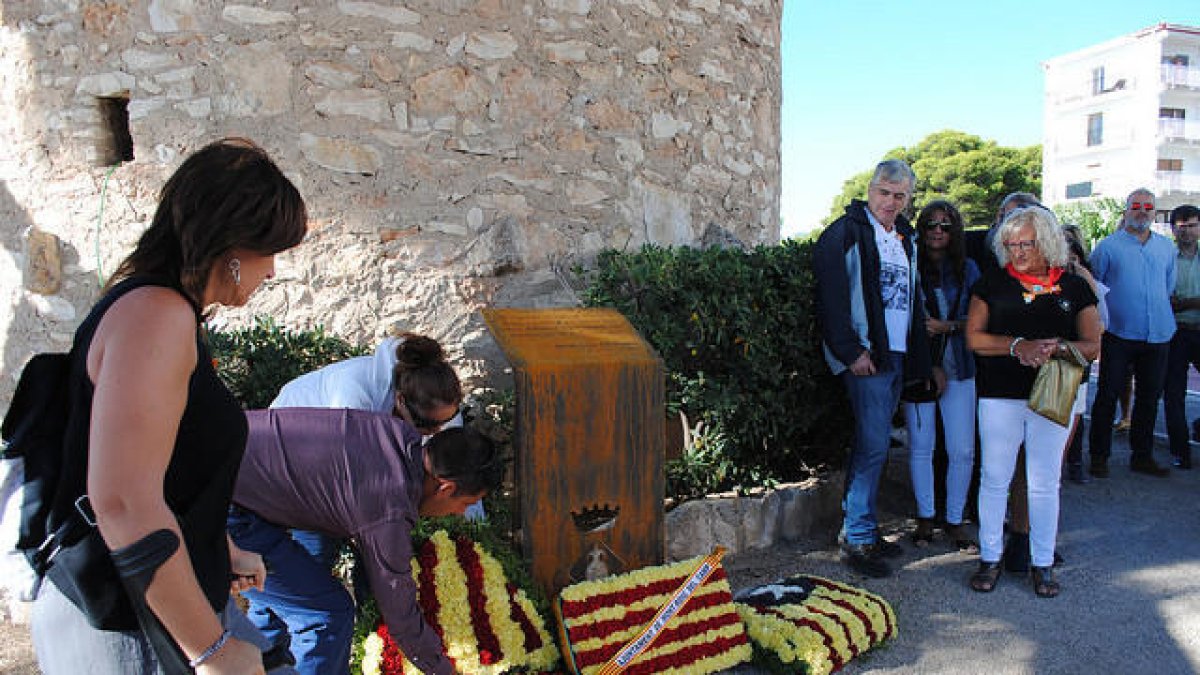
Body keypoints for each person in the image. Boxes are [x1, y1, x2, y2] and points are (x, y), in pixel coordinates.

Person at [31, 138, 308, 673]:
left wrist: (221, 547)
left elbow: (168, 473)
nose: (271, 272)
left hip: (152, 611)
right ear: (232, 248)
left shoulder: (154, 306)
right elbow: (122, 501)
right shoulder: (156, 316)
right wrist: (212, 650)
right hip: (125, 618)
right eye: (270, 251)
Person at [227, 408, 503, 675]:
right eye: (467, 503)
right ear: (446, 488)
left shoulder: (396, 433)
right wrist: (442, 670)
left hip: (221, 458)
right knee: (326, 614)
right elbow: (400, 615)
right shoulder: (388, 507)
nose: (460, 513)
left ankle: (262, 663)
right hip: (218, 506)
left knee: (294, 587)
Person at [966, 206, 1101, 598]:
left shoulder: (1074, 287)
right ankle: (990, 557)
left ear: (1045, 240)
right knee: (994, 479)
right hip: (999, 397)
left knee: (1044, 483)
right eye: (1010, 244)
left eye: (1025, 243)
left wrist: (1059, 348)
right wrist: (1016, 346)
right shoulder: (991, 283)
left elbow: (1092, 345)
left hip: (1051, 397)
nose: (1017, 251)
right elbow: (974, 338)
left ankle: (1042, 564)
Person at [813, 158, 936, 578]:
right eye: (884, 192)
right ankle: (857, 535)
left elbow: (913, 298)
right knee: (873, 443)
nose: (890, 202)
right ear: (871, 189)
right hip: (867, 356)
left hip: (896, 353)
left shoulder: (906, 236)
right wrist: (851, 352)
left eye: (900, 196)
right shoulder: (844, 233)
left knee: (877, 444)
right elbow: (830, 299)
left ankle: (862, 528)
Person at [270, 333, 474, 562]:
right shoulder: (353, 396)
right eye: (427, 424)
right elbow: (355, 482)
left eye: (444, 422)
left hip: (329, 467)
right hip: (293, 457)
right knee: (318, 551)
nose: (436, 432)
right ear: (400, 401)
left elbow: (460, 469)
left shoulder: (436, 404)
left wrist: (471, 531)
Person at [904, 201, 980, 551]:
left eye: (945, 226)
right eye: (931, 224)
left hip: (961, 368)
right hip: (919, 368)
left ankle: (953, 520)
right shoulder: (909, 267)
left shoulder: (970, 271)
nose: (937, 231)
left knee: (961, 450)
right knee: (921, 447)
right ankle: (924, 517)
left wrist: (946, 326)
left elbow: (983, 322)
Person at [1088, 189, 1177, 478]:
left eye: (1148, 207)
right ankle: (1099, 456)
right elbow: (1095, 289)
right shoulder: (1107, 248)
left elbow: (1168, 287)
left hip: (1158, 334)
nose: (1142, 211)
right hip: (1119, 334)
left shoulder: (1166, 248)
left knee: (1150, 398)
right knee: (1107, 394)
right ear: (1125, 211)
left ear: (1154, 212)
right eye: (1135, 206)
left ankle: (1142, 456)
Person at [1061, 224, 1109, 484]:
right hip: (1046, 366)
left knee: (1073, 418)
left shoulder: (1083, 280)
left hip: (1076, 364)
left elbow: (1100, 326)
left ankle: (1070, 464)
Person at [1165, 204, 1200, 469]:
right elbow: (1166, 302)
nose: (1186, 231)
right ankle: (1180, 452)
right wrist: (1193, 302)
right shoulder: (1166, 257)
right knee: (1174, 394)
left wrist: (1183, 302)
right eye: (1181, 226)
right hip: (1175, 333)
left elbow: (1177, 301)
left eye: (1192, 225)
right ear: (1172, 228)